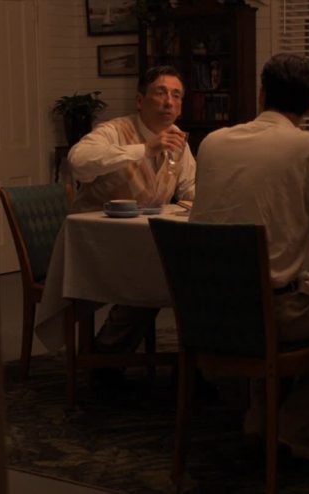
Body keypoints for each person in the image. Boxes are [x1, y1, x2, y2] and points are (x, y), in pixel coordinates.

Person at [190, 53, 309, 462]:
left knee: (291, 289)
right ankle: (297, 426)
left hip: (207, 310)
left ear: (262, 93)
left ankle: (259, 420)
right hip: (273, 311)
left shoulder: (212, 142)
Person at [68, 65, 196, 355]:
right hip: (96, 246)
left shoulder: (178, 139)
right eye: (161, 93)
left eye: (176, 95)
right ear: (140, 100)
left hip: (143, 244)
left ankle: (196, 362)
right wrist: (145, 149)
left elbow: (191, 187)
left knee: (186, 274)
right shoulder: (114, 130)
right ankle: (106, 355)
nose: (169, 102)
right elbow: (78, 161)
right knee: (159, 276)